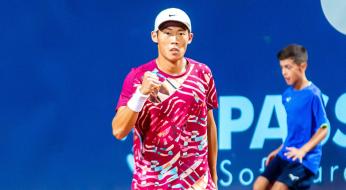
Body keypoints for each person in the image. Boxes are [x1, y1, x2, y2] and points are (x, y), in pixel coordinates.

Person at [112, 8, 218, 189]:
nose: (174, 40)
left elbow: (208, 125)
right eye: (167, 34)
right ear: (155, 36)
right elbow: (119, 130)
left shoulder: (203, 73)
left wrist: (213, 176)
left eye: (180, 33)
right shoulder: (138, 77)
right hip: (152, 184)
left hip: (198, 185)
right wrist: (141, 94)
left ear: (190, 38)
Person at [253, 44, 329, 190]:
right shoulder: (287, 95)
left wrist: (303, 150)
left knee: (278, 189)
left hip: (304, 160)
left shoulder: (313, 94)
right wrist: (279, 149)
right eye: (281, 67)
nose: (283, 72)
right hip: (286, 153)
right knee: (259, 186)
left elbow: (324, 128)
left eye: (288, 67)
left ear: (302, 66)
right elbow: (294, 132)